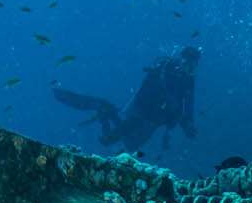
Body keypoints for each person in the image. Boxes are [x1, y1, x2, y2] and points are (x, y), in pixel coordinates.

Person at [53, 46, 200, 152]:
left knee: (131, 145)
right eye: (186, 63)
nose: (188, 68)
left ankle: (106, 110)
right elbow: (152, 91)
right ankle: (104, 107)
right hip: (142, 112)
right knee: (111, 141)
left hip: (155, 118)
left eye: (192, 66)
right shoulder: (167, 70)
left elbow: (188, 104)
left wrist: (188, 124)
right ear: (181, 59)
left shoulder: (188, 80)